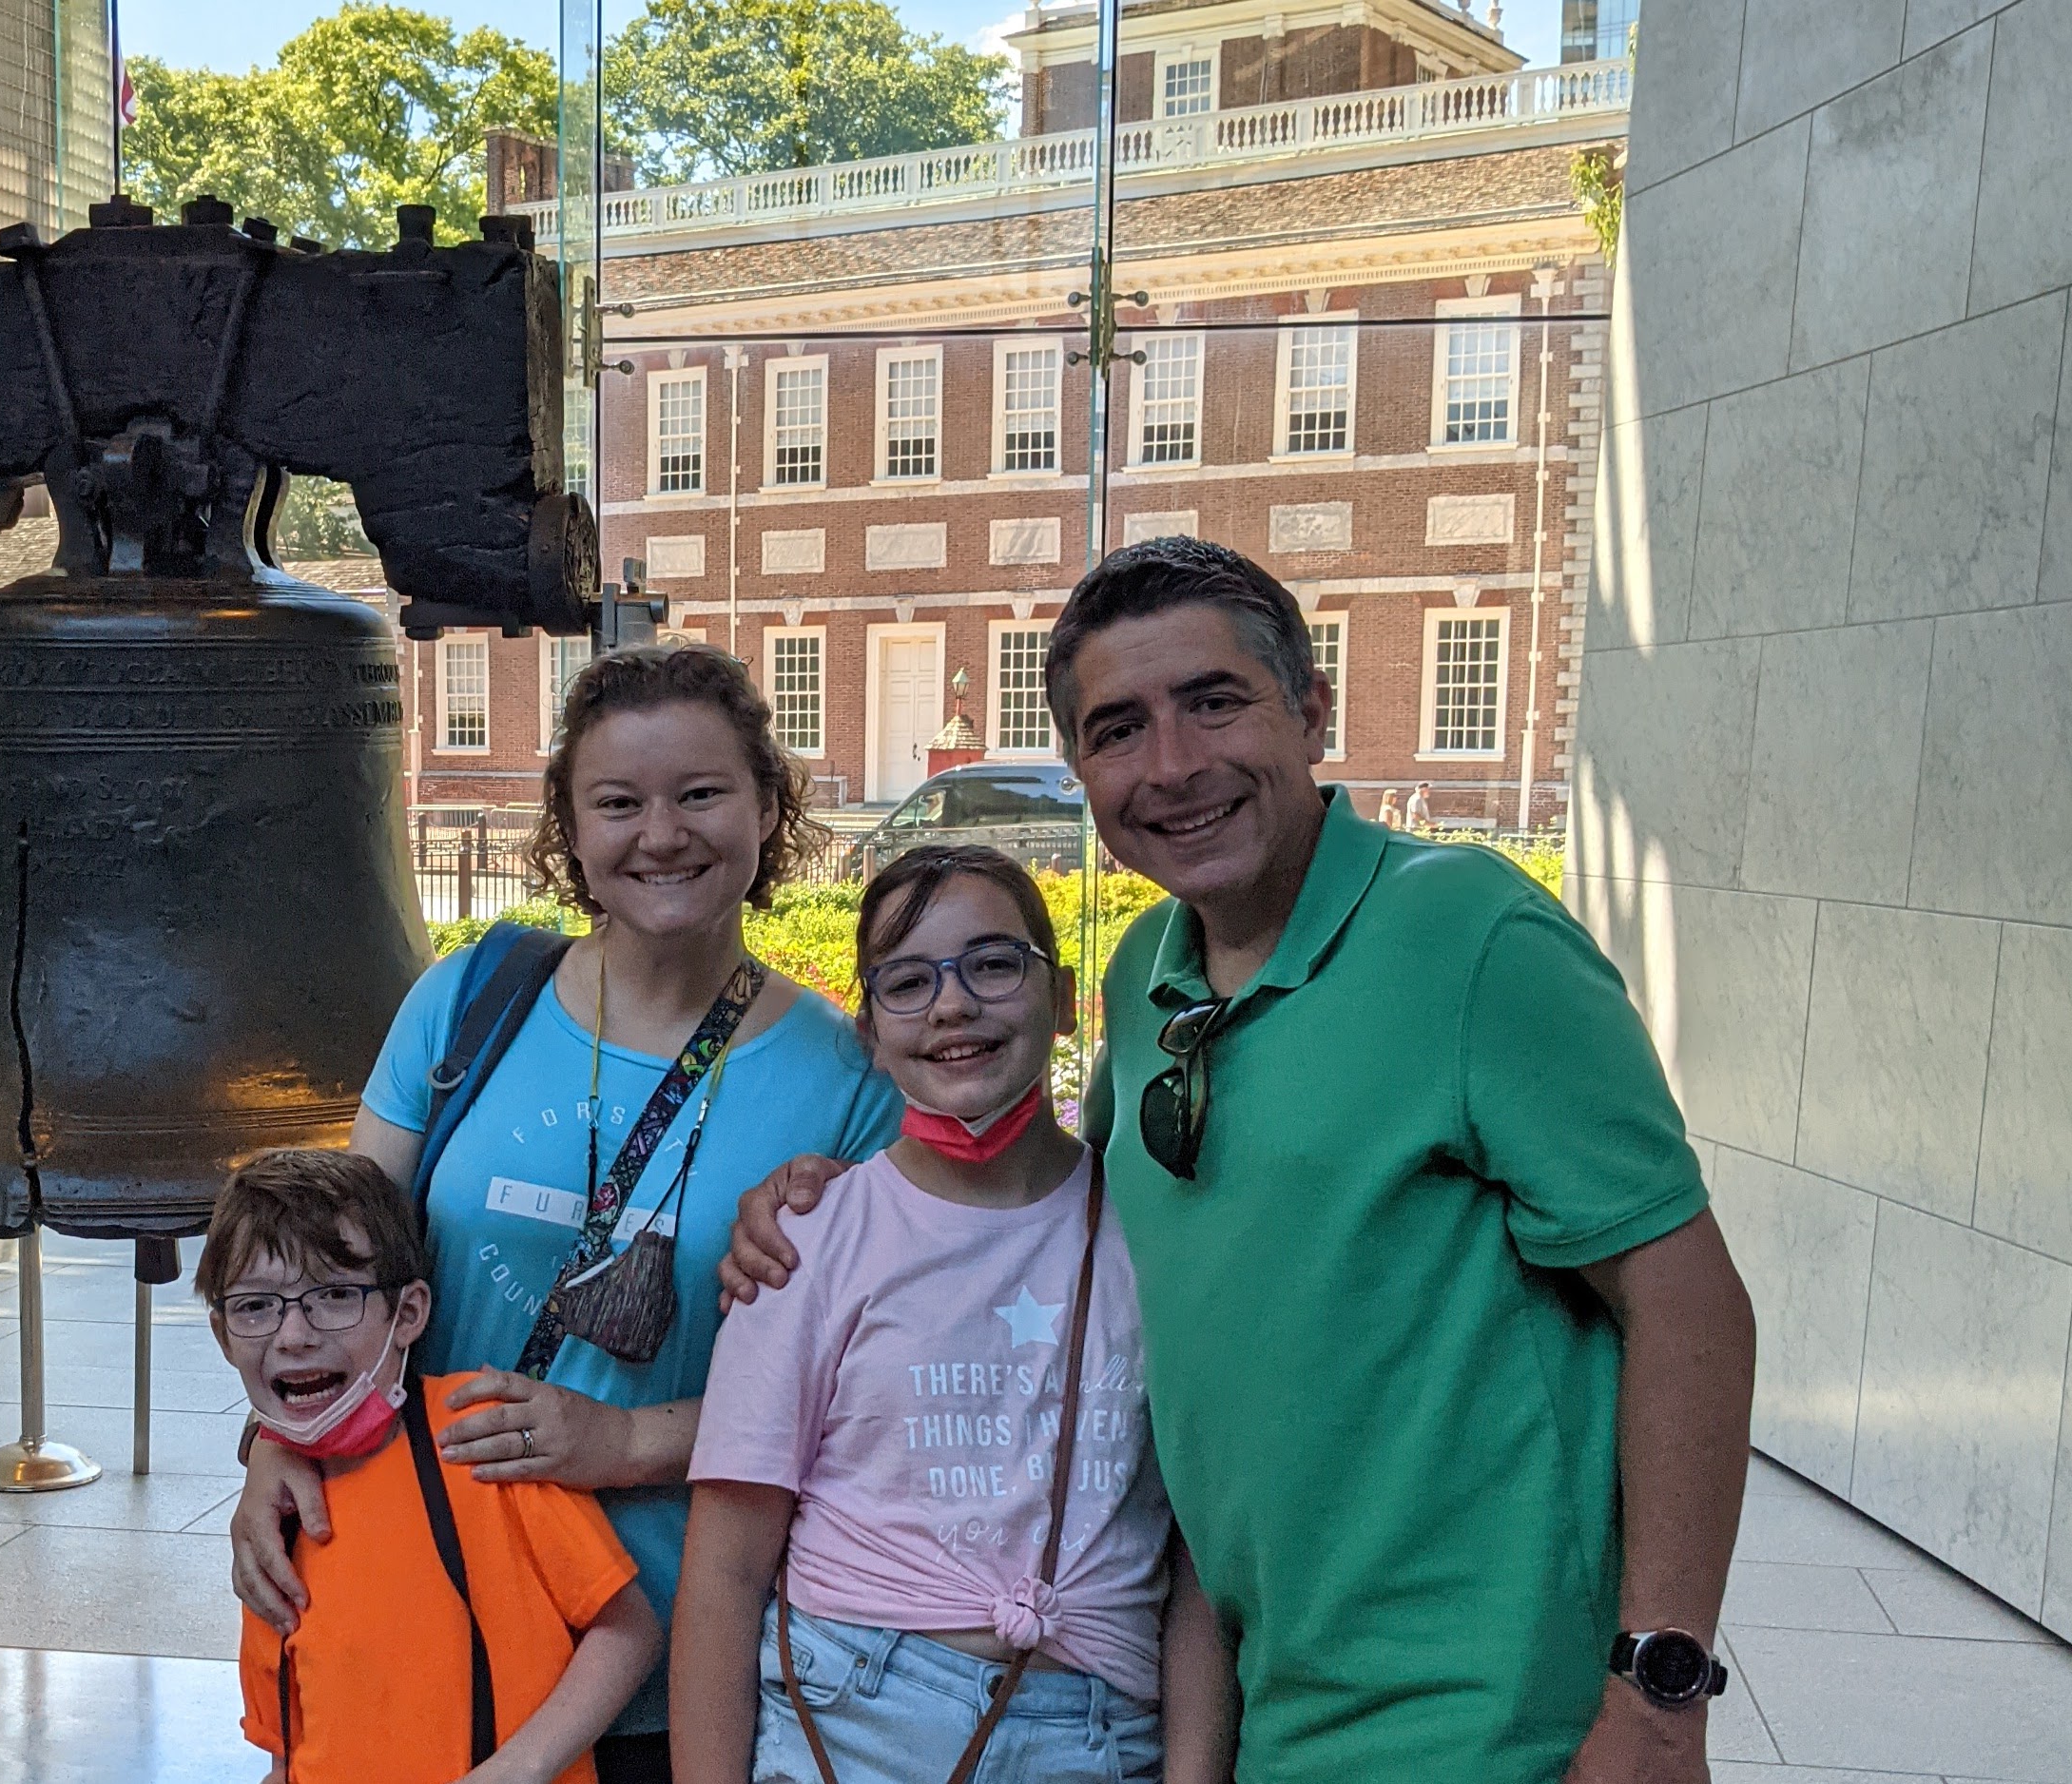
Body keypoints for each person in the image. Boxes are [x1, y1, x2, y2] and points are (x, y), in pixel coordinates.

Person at [725, 538, 1757, 1784]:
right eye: (1117, 729)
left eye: (1212, 702)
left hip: (1484, 1721)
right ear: (1082, 774)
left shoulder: (1468, 936)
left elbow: (1684, 1302)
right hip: (1262, 1712)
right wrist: (831, 1200)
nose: (1171, 765)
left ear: (1309, 711)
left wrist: (1657, 1695)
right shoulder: (1141, 977)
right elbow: (1056, 1207)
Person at [233, 644, 904, 1784]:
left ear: (765, 805)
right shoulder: (467, 1003)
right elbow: (335, 1274)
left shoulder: (844, 1078)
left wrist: (630, 1441)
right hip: (436, 1611)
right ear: (572, 830)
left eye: (701, 794)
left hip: (682, 1640)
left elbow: (868, 1385)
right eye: (618, 803)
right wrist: (272, 1443)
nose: (662, 834)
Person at [672, 846, 1230, 1784]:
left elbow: (1198, 1562)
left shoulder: (1154, 1231)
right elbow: (725, 1576)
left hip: (1096, 1734)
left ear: (1060, 999)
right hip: (852, 1722)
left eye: (994, 963)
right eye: (907, 980)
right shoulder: (811, 1241)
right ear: (867, 1030)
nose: (953, 1003)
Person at [202, 1149, 661, 1784]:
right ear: (223, 1335)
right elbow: (287, 1752)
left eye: (334, 1295)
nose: (293, 1335)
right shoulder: (271, 1522)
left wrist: (520, 1768)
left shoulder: (476, 1437)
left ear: (408, 1312)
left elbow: (627, 1629)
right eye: (255, 1306)